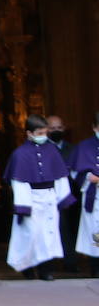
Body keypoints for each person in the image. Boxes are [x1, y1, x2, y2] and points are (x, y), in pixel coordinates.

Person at [6, 115, 76, 277]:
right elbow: (19, 182)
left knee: (48, 234)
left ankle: (46, 269)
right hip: (30, 199)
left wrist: (62, 198)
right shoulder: (20, 154)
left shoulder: (52, 150)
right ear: (29, 133)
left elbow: (60, 176)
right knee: (31, 235)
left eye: (45, 132)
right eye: (39, 133)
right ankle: (28, 267)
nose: (43, 136)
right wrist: (24, 205)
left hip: (49, 199)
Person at [67, 111, 99, 277]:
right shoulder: (84, 146)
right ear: (94, 127)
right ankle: (96, 266)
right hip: (94, 198)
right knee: (95, 233)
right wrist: (88, 177)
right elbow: (74, 171)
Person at [47, 114, 79, 273]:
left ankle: (71, 261)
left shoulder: (73, 149)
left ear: (64, 128)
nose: (56, 130)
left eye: (59, 128)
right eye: (52, 128)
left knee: (71, 228)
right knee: (53, 229)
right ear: (46, 129)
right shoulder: (42, 149)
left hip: (72, 195)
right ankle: (48, 265)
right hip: (50, 195)